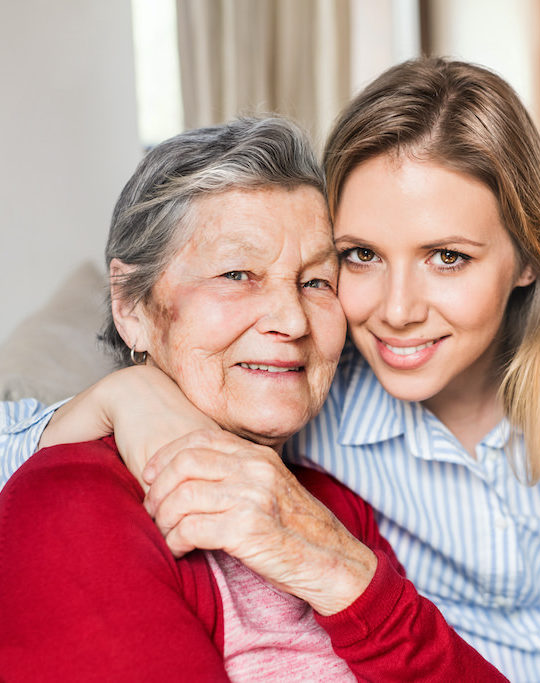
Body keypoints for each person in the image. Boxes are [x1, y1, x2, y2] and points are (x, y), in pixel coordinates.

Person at [2, 57, 540, 681]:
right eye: (358, 256)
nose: (394, 309)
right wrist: (123, 397)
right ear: (130, 303)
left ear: (529, 257)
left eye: (447, 256)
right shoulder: (295, 384)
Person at [0, 116, 506, 681]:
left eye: (317, 282)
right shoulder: (72, 504)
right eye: (238, 273)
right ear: (131, 308)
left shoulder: (335, 507)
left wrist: (341, 573)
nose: (292, 320)